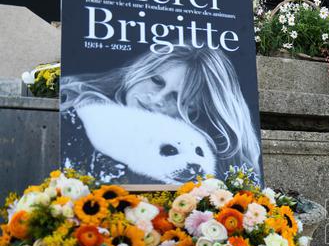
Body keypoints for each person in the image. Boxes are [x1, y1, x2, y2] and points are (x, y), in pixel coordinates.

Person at [61, 46, 262, 184]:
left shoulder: (194, 153)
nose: (157, 98)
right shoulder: (75, 105)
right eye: (157, 80)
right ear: (142, 69)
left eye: (178, 99)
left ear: (194, 112)